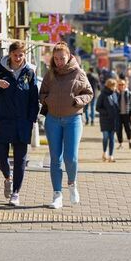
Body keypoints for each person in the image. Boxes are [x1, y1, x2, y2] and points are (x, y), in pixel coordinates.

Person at [0, 41, 39, 206]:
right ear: (10, 54)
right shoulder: (0, 70)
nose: (19, 58)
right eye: (16, 55)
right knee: (0, 154)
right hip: (3, 120)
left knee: (20, 159)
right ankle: (8, 177)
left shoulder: (29, 72)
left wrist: (32, 118)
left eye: (21, 55)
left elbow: (34, 98)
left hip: (22, 122)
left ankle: (16, 193)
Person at [39, 42, 93, 209]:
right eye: (56, 59)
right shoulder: (50, 74)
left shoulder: (79, 72)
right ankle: (57, 195)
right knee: (55, 159)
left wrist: (77, 101)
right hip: (53, 120)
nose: (59, 62)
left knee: (71, 158)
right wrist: (47, 100)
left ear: (69, 56)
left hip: (73, 119)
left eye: (62, 58)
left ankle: (72, 184)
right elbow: (42, 92)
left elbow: (89, 93)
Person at [96, 78, 119, 162]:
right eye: (114, 86)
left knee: (112, 138)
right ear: (109, 86)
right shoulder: (103, 95)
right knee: (106, 137)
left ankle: (111, 155)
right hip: (105, 120)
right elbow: (97, 107)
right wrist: (107, 112)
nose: (115, 87)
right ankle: (104, 152)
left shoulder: (115, 94)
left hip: (113, 120)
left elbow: (117, 106)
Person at [115, 79, 131, 150]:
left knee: (128, 129)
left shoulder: (129, 93)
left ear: (125, 85)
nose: (121, 86)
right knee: (118, 130)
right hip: (118, 115)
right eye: (119, 84)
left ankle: (130, 141)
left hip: (127, 114)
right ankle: (120, 144)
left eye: (122, 84)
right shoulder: (115, 93)